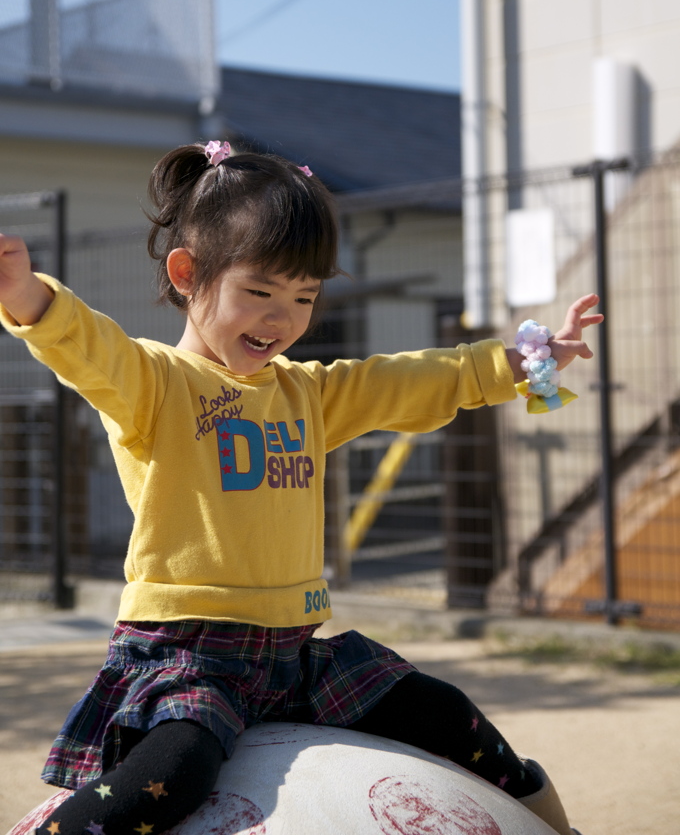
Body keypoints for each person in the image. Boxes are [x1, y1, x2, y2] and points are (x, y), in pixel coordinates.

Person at [0, 143, 599, 835]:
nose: (281, 320)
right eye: (260, 291)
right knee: (177, 771)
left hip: (293, 658)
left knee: (447, 714)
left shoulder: (306, 393)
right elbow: (89, 348)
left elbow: (417, 379)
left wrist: (527, 360)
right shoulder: (157, 385)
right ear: (188, 273)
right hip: (188, 657)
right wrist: (26, 297)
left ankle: (558, 828)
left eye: (304, 297)